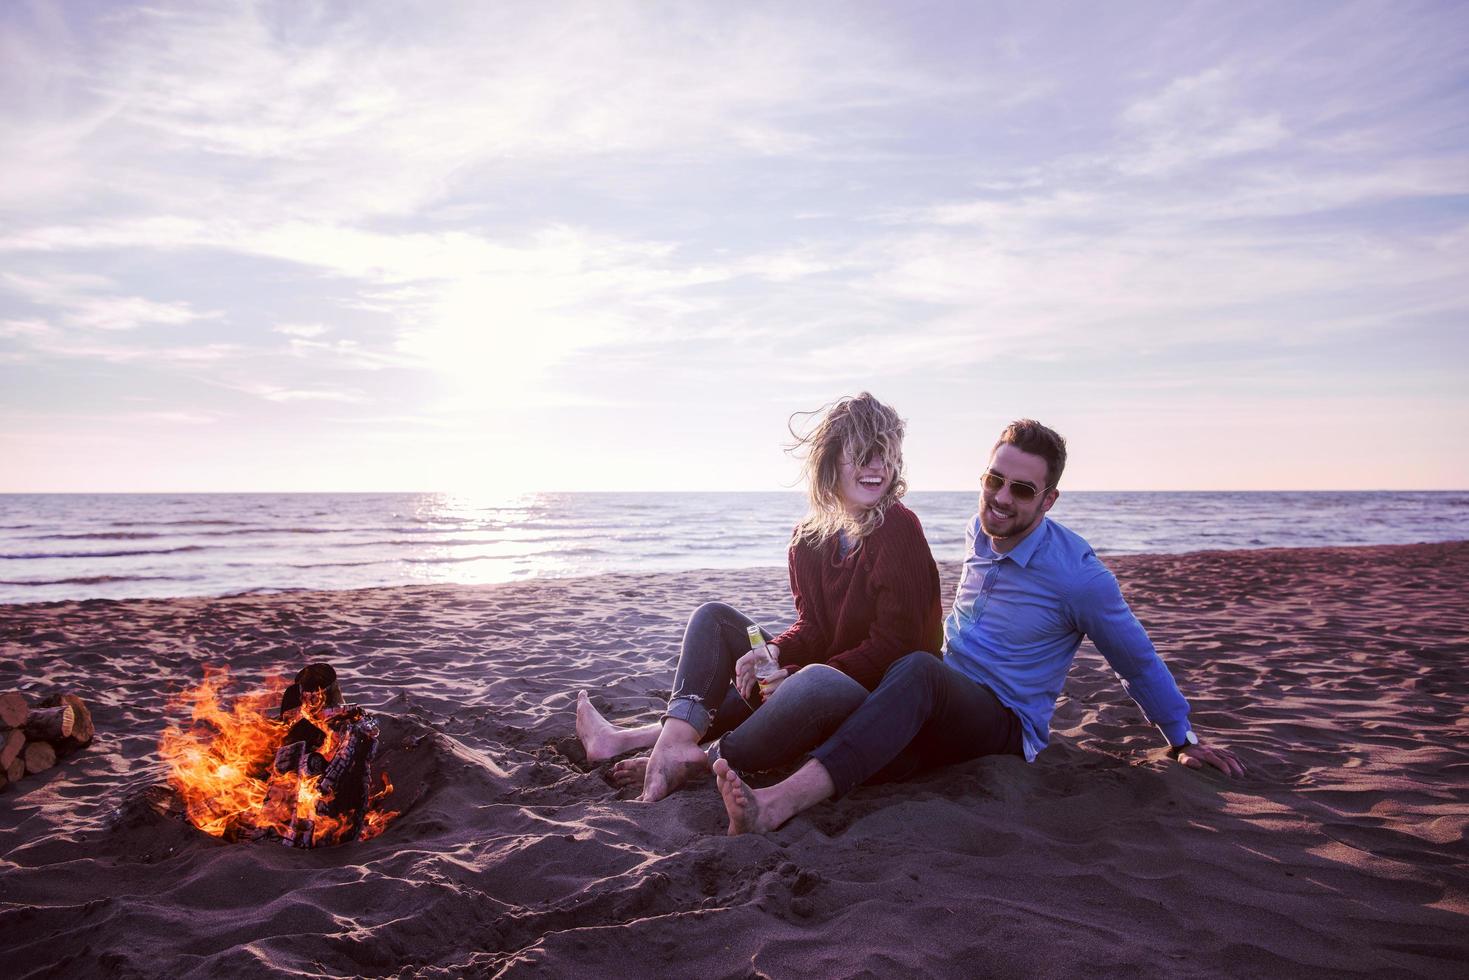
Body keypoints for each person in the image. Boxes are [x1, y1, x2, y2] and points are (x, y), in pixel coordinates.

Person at [713, 418, 1247, 835]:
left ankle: (775, 805)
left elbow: (1137, 661)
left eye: (1021, 490)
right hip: (936, 693)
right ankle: (698, 755)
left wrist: (1182, 737)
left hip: (1002, 720)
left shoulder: (1079, 577)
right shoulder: (980, 529)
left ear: (1048, 499)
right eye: (995, 480)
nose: (1001, 498)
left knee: (916, 668)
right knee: (860, 699)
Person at [575, 392, 943, 802]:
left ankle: (704, 758)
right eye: (864, 454)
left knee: (812, 682)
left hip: (879, 710)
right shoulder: (809, 539)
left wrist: (799, 670)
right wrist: (774, 652)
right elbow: (814, 626)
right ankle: (673, 741)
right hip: (817, 689)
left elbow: (903, 647)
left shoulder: (896, 526)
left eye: (887, 456)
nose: (878, 467)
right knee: (714, 619)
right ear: (830, 460)